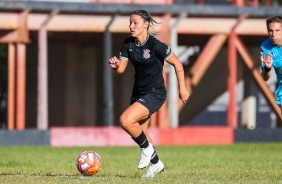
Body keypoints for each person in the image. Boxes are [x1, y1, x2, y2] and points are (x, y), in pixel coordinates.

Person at [108, 10, 190, 178]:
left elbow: (177, 63)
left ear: (146, 24)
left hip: (155, 93)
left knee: (125, 120)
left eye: (135, 22)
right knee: (140, 132)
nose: (131, 26)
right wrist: (116, 66)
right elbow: (121, 70)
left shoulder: (155, 45)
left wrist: (182, 88)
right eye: (130, 22)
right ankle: (156, 165)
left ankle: (147, 150)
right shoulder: (128, 44)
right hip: (138, 92)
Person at [260, 16, 282, 112]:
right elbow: (265, 77)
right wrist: (267, 68)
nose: (274, 35)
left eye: (277, 30)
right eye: (271, 31)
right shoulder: (265, 47)